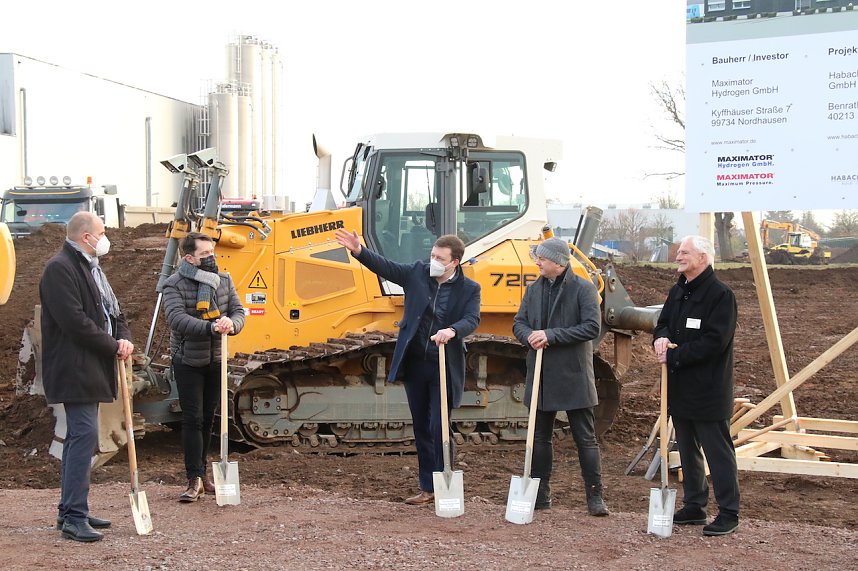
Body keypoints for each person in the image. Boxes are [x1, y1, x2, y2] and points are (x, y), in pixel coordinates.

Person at [334, 229, 480, 505]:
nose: (433, 261)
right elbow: (387, 267)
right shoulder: (417, 273)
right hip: (416, 364)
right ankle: (428, 487)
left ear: (455, 263)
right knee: (422, 427)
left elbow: (472, 319)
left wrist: (452, 330)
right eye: (432, 255)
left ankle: (445, 479)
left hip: (444, 365)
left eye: (440, 258)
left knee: (439, 426)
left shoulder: (470, 289)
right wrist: (359, 251)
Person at [40, 211, 134, 542]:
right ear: (86, 237)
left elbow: (113, 311)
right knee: (83, 436)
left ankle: (70, 510)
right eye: (102, 232)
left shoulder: (91, 269)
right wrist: (112, 345)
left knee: (81, 438)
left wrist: (122, 338)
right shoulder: (60, 269)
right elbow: (74, 322)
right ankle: (74, 516)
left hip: (89, 366)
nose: (105, 237)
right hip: (73, 367)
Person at [512, 237, 608, 516]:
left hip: (573, 373)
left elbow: (591, 327)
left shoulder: (583, 289)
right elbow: (519, 322)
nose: (537, 262)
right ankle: (540, 495)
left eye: (541, 258)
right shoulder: (533, 289)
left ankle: (595, 496)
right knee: (540, 438)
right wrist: (529, 336)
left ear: (558, 262)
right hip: (541, 373)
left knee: (585, 438)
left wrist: (550, 336)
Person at [653, 235, 740, 536]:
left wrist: (675, 355)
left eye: (685, 253)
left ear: (703, 257)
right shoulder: (678, 291)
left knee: (718, 453)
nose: (678, 257)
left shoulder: (720, 295)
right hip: (680, 388)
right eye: (678, 253)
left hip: (708, 389)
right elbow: (662, 323)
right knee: (687, 449)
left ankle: (729, 512)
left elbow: (715, 342)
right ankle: (694, 506)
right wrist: (661, 339)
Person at [162, 232, 245, 502]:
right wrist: (211, 326)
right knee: (192, 419)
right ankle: (193, 478)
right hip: (188, 360)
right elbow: (177, 319)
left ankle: (204, 476)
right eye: (205, 254)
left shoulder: (224, 280)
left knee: (209, 419)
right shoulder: (174, 284)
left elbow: (238, 311)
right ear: (189, 258)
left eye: (212, 252)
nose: (212, 257)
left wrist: (231, 324)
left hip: (216, 359)